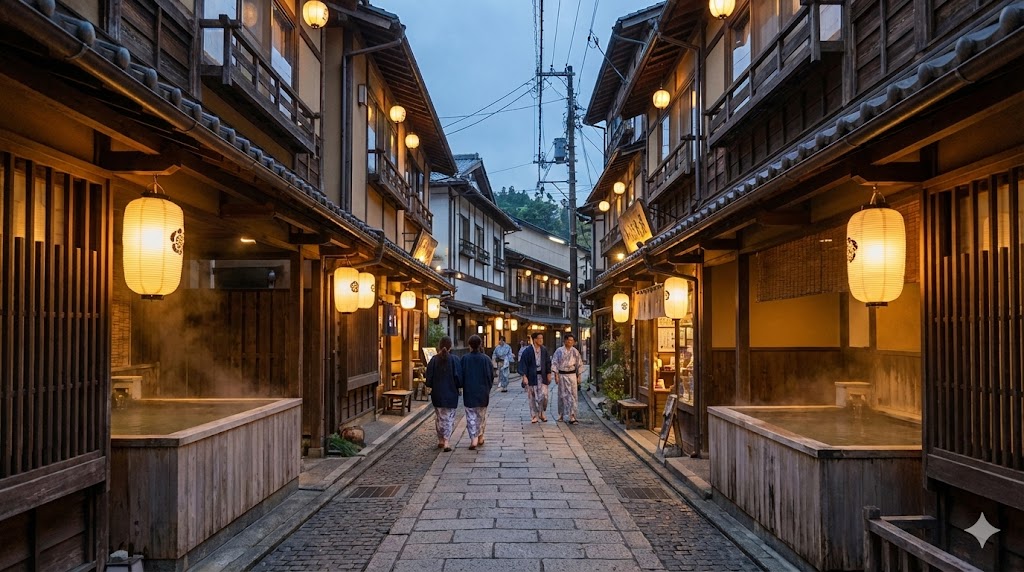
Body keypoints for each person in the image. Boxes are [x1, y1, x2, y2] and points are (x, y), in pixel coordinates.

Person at [425, 336, 461, 451]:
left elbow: (429, 379)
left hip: (437, 394)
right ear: (450, 346)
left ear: (439, 346)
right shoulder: (454, 360)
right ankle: (446, 441)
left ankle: (440, 439)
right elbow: (458, 378)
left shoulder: (434, 360)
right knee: (449, 418)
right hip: (451, 394)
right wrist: (459, 386)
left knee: (440, 417)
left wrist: (431, 385)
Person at [462, 334, 492, 449]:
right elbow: (490, 376)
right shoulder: (486, 359)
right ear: (480, 345)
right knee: (481, 416)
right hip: (483, 392)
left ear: (469, 345)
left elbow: (460, 376)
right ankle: (480, 437)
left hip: (469, 391)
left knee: (471, 417)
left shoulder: (465, 359)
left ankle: (474, 439)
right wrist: (488, 388)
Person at [519, 332, 552, 423]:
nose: (541, 340)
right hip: (531, 376)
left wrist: (549, 373)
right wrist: (524, 376)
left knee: (544, 396)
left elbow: (548, 362)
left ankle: (541, 412)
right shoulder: (527, 351)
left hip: (542, 376)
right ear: (534, 340)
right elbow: (523, 364)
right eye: (539, 338)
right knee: (532, 396)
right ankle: (534, 415)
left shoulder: (544, 350)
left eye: (542, 338)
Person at [552, 333, 583, 424]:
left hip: (572, 375)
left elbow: (579, 364)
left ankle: (572, 415)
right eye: (568, 340)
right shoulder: (559, 351)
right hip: (562, 374)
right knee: (562, 395)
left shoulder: (575, 351)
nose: (570, 342)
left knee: (573, 395)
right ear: (565, 340)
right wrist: (556, 375)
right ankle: (561, 414)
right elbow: (555, 363)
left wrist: (579, 376)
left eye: (572, 340)